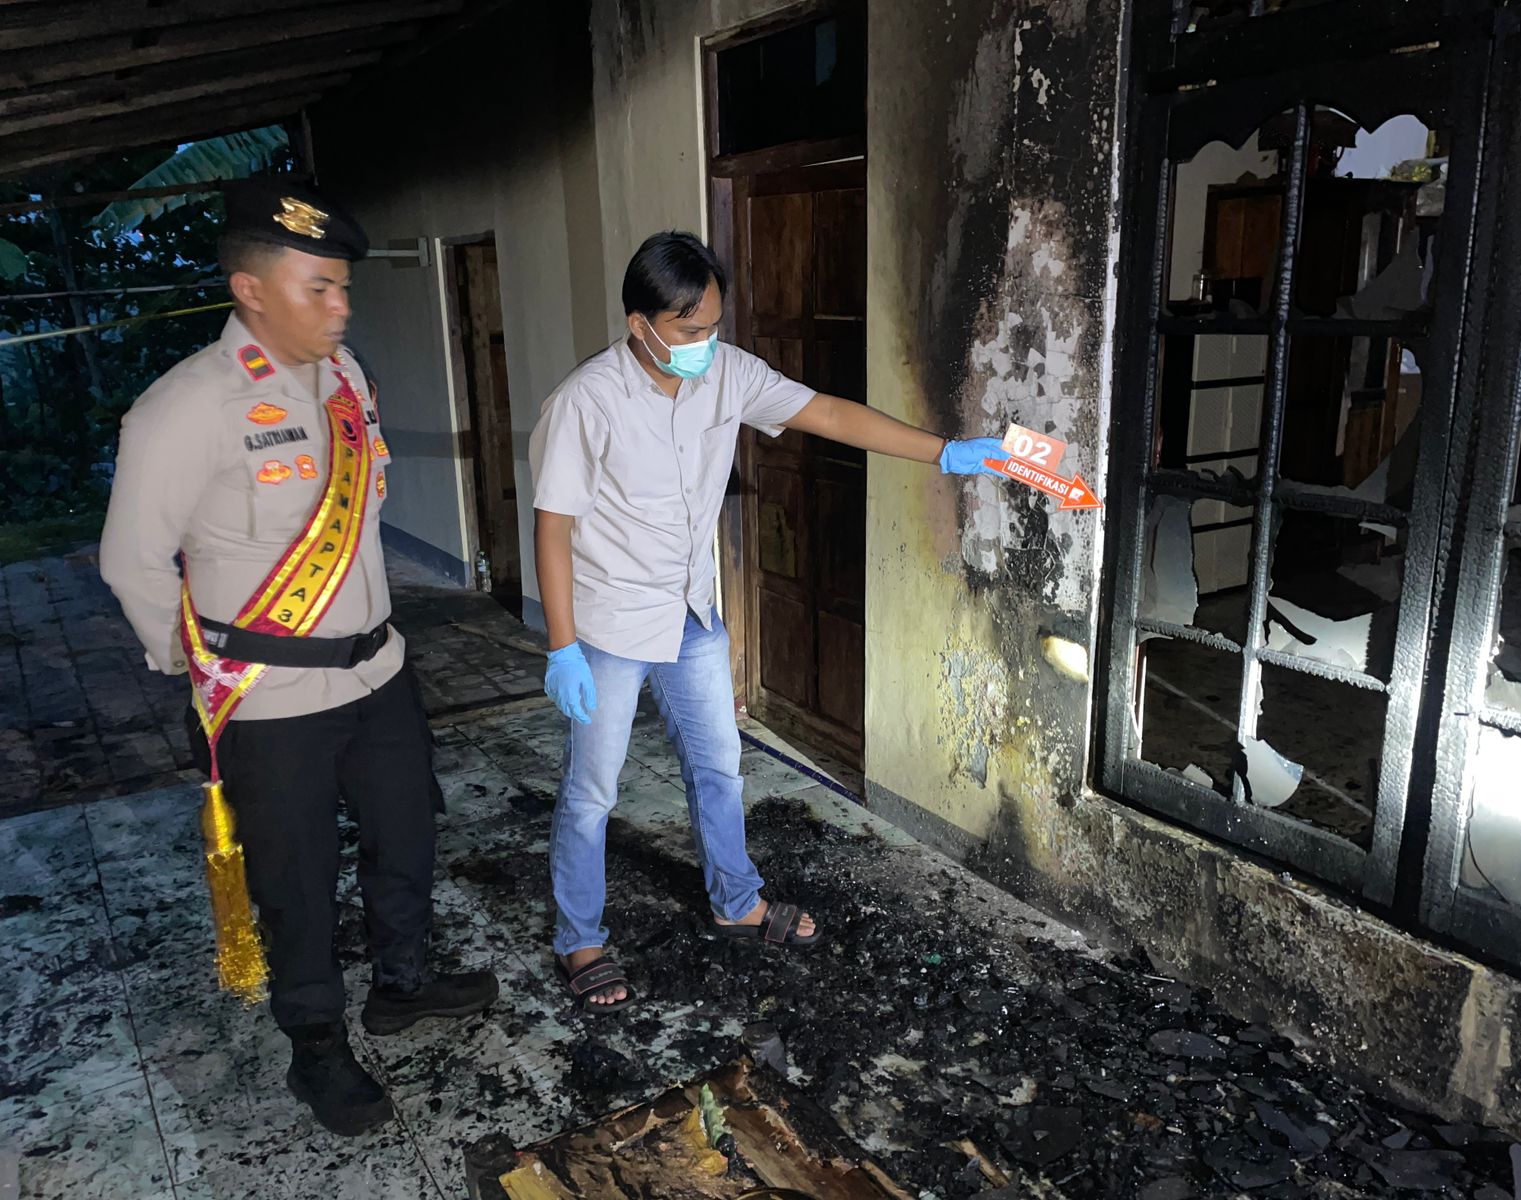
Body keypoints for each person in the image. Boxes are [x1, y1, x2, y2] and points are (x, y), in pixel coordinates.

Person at [100, 177, 498, 1136]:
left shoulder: (347, 379)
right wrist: (192, 667)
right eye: (318, 287)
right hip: (271, 698)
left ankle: (403, 984)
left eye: (343, 286)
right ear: (250, 290)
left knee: (407, 833)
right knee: (297, 877)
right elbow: (131, 561)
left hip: (379, 671)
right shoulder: (184, 407)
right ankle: (316, 1045)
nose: (341, 305)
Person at [528, 230, 1006, 1013]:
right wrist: (561, 647)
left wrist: (945, 452)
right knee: (592, 792)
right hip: (607, 625)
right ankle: (580, 938)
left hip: (689, 613)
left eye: (714, 326)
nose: (705, 343)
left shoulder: (726, 373)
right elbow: (553, 527)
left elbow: (827, 412)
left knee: (719, 766)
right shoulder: (586, 401)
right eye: (688, 330)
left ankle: (736, 900)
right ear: (640, 325)